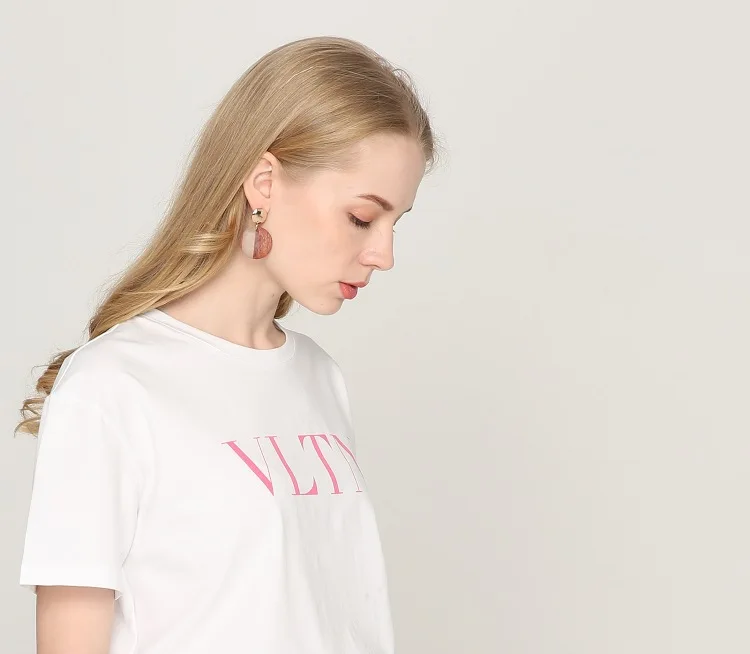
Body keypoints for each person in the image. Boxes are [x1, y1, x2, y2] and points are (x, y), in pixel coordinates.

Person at [15, 35, 438, 654]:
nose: (383, 254)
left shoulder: (318, 377)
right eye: (361, 218)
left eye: (395, 223)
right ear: (264, 182)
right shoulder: (111, 386)